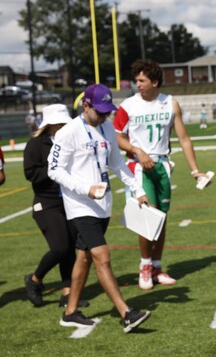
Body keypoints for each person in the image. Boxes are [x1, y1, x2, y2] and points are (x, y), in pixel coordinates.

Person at [48, 84, 151, 332]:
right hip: (80, 206)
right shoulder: (68, 132)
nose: (105, 116)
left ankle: (70, 312)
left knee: (83, 258)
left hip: (103, 205)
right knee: (102, 257)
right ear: (86, 106)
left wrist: (138, 190)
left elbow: (117, 164)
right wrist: (86, 189)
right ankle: (126, 313)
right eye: (101, 111)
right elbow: (53, 170)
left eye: (108, 111)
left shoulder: (106, 127)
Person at [114, 59, 208, 291]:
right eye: (137, 80)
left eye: (142, 80)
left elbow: (184, 139)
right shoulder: (128, 106)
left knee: (161, 218)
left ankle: (156, 266)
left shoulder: (170, 103)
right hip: (138, 166)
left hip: (162, 165)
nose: (138, 84)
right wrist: (137, 150)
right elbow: (116, 136)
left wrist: (195, 170)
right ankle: (145, 265)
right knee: (148, 216)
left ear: (154, 82)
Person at [23, 104, 88, 308]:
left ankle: (67, 292)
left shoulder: (71, 141)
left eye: (64, 123)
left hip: (69, 201)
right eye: (58, 123)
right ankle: (34, 280)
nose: (62, 127)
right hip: (46, 203)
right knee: (60, 247)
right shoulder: (35, 145)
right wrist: (53, 168)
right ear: (49, 125)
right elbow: (31, 174)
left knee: (70, 247)